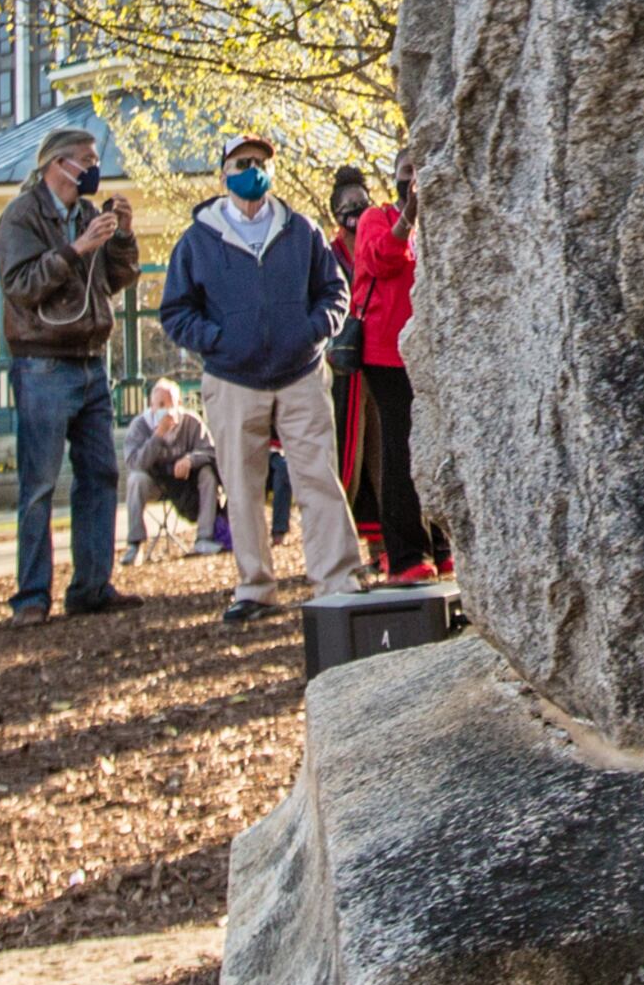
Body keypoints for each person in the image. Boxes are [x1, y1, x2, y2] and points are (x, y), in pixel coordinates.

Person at [160, 130, 365, 621]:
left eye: (260, 161)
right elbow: (176, 311)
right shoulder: (198, 240)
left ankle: (338, 579)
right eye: (242, 162)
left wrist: (314, 330)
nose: (253, 169)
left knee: (318, 478)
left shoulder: (302, 231)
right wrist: (217, 340)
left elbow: (335, 292)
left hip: (301, 372)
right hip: (233, 379)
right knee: (242, 483)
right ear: (224, 174)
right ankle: (254, 587)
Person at [0, 129, 144, 622]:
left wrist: (120, 236)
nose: (93, 169)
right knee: (38, 483)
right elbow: (19, 286)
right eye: (85, 160)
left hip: (91, 360)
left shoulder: (87, 213)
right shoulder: (21, 217)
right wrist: (75, 249)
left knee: (99, 474)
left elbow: (117, 279)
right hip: (42, 363)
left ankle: (91, 585)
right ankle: (32, 596)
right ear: (56, 164)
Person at [343, 157, 437, 581]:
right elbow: (381, 260)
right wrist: (409, 219)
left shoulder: (440, 218)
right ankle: (404, 556)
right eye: (405, 169)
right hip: (386, 353)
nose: (412, 177)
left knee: (434, 448)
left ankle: (444, 544)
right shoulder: (375, 219)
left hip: (430, 353)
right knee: (399, 451)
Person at [121, 378, 216, 559]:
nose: (162, 409)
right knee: (136, 480)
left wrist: (190, 460)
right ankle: (135, 545)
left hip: (185, 481)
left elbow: (210, 451)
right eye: (158, 404)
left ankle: (205, 537)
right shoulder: (140, 426)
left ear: (179, 404)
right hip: (155, 482)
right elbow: (135, 464)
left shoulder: (191, 422)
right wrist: (158, 436)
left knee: (207, 474)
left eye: (167, 403)